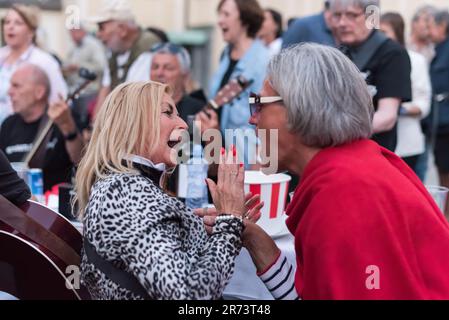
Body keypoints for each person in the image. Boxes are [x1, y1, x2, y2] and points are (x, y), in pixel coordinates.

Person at [210, 43, 449, 300]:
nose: (252, 119)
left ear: (298, 108)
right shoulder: (354, 165)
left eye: (259, 105)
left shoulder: (344, 191)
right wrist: (251, 235)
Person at [75, 81, 259, 300]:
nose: (183, 123)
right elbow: (187, 296)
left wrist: (216, 228)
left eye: (179, 114)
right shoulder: (127, 193)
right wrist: (229, 223)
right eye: (168, 113)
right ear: (132, 122)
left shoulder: (125, 184)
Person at [331, 0, 412, 152]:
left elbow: (387, 117)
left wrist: (335, 132)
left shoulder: (392, 53)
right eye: (337, 15)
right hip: (337, 151)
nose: (341, 23)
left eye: (351, 15)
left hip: (372, 152)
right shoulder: (340, 51)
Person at [202, 0, 269, 169]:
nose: (219, 21)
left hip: (246, 163)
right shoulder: (225, 54)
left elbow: (269, 124)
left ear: (245, 20)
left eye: (226, 14)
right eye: (220, 14)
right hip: (219, 158)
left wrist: (259, 171)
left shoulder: (263, 62)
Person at [0, 64, 83, 192]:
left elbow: (81, 161)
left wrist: (68, 127)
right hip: (18, 203)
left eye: (16, 86)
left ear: (39, 92)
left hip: (54, 205)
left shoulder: (63, 118)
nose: (9, 92)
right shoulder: (8, 124)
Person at [380, 13, 431, 175]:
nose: (379, 38)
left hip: (407, 146)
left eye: (384, 32)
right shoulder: (373, 61)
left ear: (397, 33)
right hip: (379, 145)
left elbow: (424, 104)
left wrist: (396, 108)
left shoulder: (416, 60)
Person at [90, 0, 162, 116]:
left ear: (122, 30)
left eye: (101, 28)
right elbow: (104, 92)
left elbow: (133, 101)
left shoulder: (148, 50)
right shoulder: (115, 53)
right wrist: (94, 128)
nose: (98, 34)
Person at [0, 4, 67, 125]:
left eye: (18, 23)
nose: (10, 27)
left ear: (31, 31)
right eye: (7, 22)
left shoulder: (44, 61)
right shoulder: (1, 56)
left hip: (26, 131)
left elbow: (59, 99)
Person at [428, 9, 449, 212]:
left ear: (443, 26)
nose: (428, 30)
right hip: (441, 124)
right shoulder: (440, 49)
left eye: (432, 25)